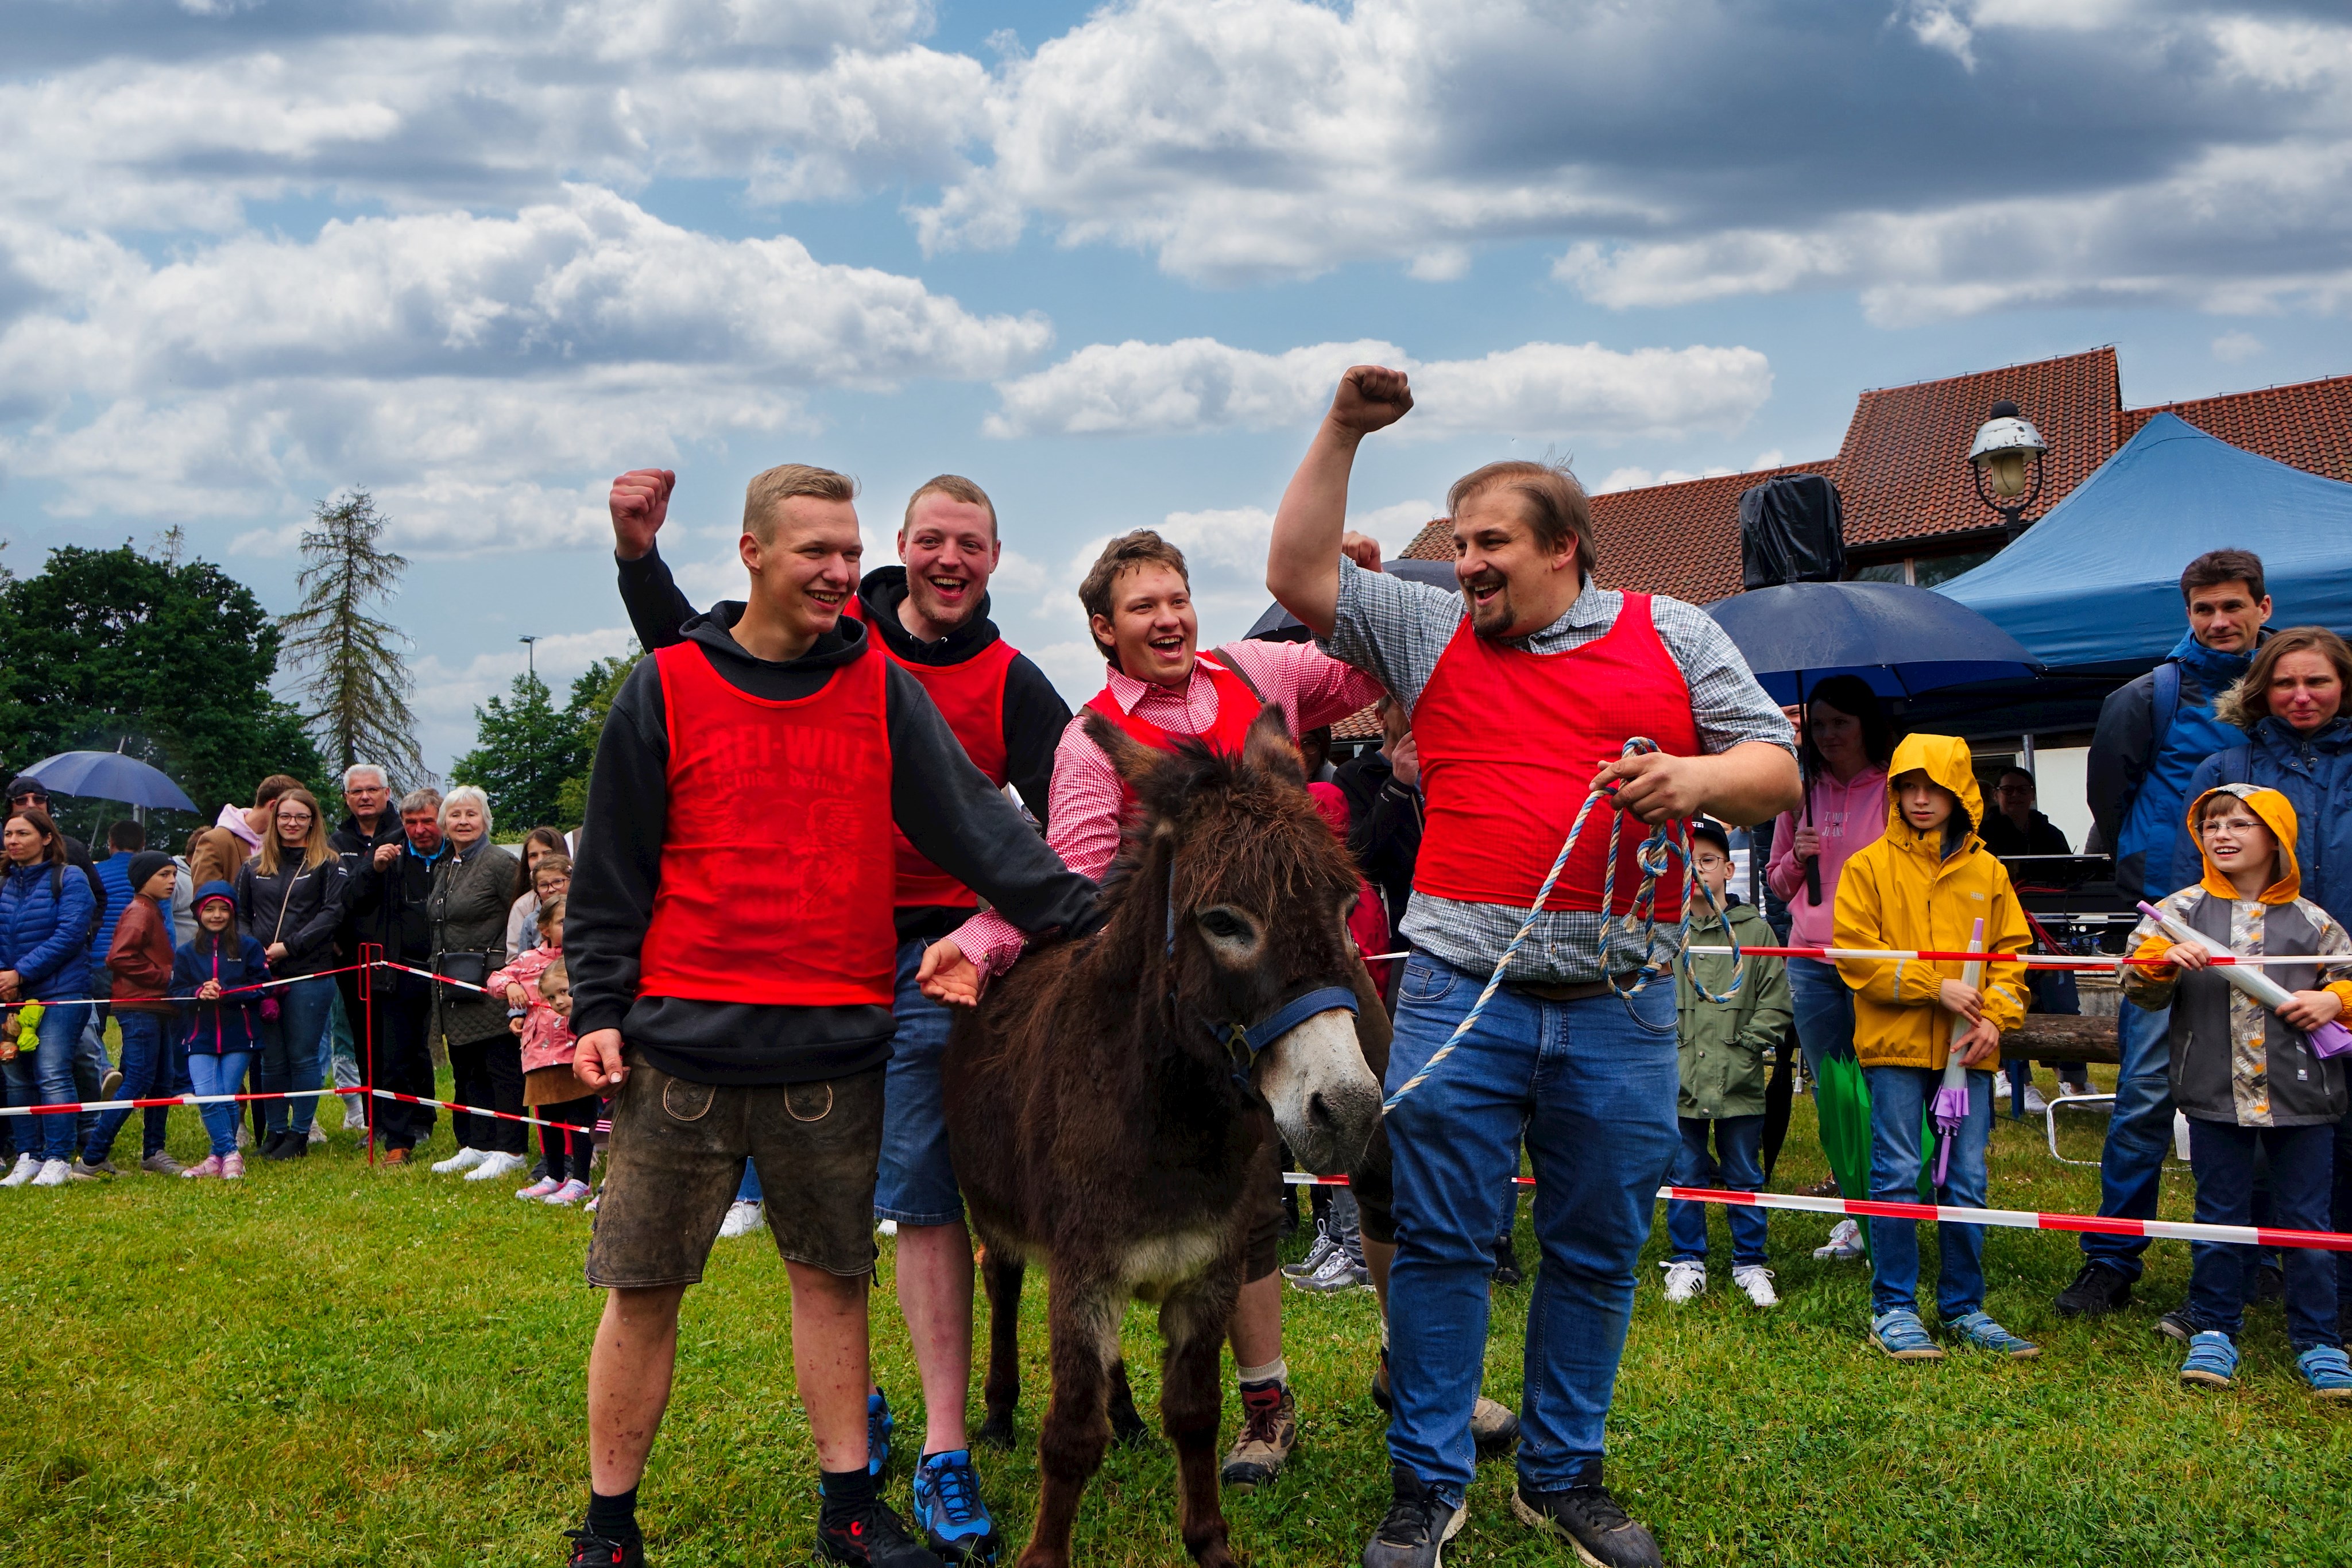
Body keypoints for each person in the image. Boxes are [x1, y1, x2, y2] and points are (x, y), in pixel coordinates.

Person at [1263, 366, 1799, 1568]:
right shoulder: (1429, 626)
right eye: (1456, 544)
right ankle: (1427, 1484)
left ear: (1564, 549)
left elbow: (1775, 765)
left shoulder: (1673, 631)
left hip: (1621, 1002)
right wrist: (1344, 428)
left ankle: (1560, 1477)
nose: (1462, 565)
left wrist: (1696, 779)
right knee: (1445, 1242)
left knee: (1598, 1245)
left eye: (1487, 543)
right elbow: (1296, 576)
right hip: (1463, 993)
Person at [560, 459, 1102, 1568]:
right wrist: (601, 1007)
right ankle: (608, 1526)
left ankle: (850, 1509)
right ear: (753, 554)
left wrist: (1111, 919)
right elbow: (610, 872)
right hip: (683, 1046)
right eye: (818, 552)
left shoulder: (880, 688)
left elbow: (981, 835)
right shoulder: (664, 687)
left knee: (834, 1284)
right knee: (642, 1290)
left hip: (834, 1045)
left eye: (852, 554)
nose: (842, 572)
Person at [926, 525, 1417, 1496]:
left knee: (1397, 1151)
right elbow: (1067, 883)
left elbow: (1363, 677)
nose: (1168, 618)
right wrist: (982, 942)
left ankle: (1415, 1368)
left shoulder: (1260, 666)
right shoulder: (1088, 738)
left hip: (1314, 960)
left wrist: (1350, 586)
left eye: (1177, 597)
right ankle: (1266, 1404)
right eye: (1142, 607)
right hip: (1201, 978)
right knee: (1242, 1202)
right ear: (1106, 631)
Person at [2064, 550, 2271, 1317]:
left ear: (2262, 606)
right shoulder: (2147, 695)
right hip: (2167, 921)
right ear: (2187, 613)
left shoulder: (2284, 693)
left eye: (2232, 606)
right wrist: (2152, 876)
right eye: (2203, 608)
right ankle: (2112, 1259)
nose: (2219, 621)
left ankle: (2264, 1257)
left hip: (2260, 924)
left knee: (2259, 1096)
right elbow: (2110, 803)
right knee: (2145, 1094)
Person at [2121, 784, 2352, 1396]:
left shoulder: (2315, 922)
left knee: (2307, 1220)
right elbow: (2135, 984)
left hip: (2305, 1099)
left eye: (2240, 824)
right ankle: (2214, 1326)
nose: (2222, 834)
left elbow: (2349, 983)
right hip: (2212, 1095)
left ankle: (2319, 1338)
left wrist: (2333, 999)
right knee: (2218, 1213)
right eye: (2212, 824)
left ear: (2275, 836)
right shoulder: (2179, 911)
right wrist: (2165, 958)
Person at [1833, 735, 2037, 1362]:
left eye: (1936, 789)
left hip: (1968, 1054)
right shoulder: (1866, 866)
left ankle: (1963, 1307)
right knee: (1894, 1175)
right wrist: (1933, 986)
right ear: (1894, 792)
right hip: (1893, 1048)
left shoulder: (1989, 871)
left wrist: (1996, 1019)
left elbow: (2011, 957)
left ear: (1960, 796)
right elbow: (1855, 955)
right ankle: (1892, 1307)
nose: (1921, 801)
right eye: (1908, 788)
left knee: (1968, 1180)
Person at [2175, 625, 2352, 1338]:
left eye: (2318, 681)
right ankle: (2226, 1296)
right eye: (2284, 682)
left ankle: (2331, 1304)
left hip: (2332, 976)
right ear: (2260, 689)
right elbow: (2188, 873)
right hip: (2248, 986)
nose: (2301, 695)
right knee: (2236, 1149)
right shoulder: (2226, 761)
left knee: (2327, 1147)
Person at [1765, 675, 1893, 1234]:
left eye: (1840, 722)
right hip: (1809, 961)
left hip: (1875, 958)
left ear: (1865, 723)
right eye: (1818, 725)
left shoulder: (1892, 787)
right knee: (1831, 1082)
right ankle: (1851, 1198)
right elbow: (1776, 881)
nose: (1827, 734)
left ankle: (1890, 1191)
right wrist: (1797, 856)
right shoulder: (1799, 794)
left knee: (1883, 1078)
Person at [1658, 820, 1792, 1310]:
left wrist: (1747, 1046)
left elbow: (1776, 1002)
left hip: (1740, 1080)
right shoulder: (1665, 931)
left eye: (1709, 859)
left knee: (1744, 1172)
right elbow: (1648, 998)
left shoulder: (1757, 932)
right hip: (1680, 1080)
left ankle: (1749, 1262)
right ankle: (1688, 1261)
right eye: (1688, 859)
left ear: (1730, 868)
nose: (1697, 870)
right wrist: (1667, 1049)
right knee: (1685, 1172)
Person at [234, 786, 345, 1160]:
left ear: (312, 821)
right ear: (274, 818)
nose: (292, 823)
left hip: (308, 972)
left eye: (301, 817)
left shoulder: (328, 863)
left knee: (302, 1055)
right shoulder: (252, 867)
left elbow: (331, 914)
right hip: (263, 974)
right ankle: (275, 1130)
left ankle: (300, 1133)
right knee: (271, 1059)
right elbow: (241, 916)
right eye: (285, 816)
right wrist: (255, 952)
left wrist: (290, 946)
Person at [425, 785, 527, 1183]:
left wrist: (502, 968)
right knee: (468, 1069)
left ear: (485, 819)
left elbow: (520, 915)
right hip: (453, 987)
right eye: (456, 815)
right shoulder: (445, 866)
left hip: (493, 986)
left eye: (472, 814)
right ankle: (478, 1143)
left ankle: (510, 1148)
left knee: (501, 1068)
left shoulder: (500, 863)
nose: (463, 821)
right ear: (444, 823)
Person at [346, 788, 446, 1164]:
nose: (420, 829)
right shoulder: (387, 851)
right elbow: (351, 900)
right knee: (395, 1057)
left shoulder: (456, 854)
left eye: (428, 821)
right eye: (411, 822)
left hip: (451, 969)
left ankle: (478, 1139)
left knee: (466, 1057)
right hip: (399, 969)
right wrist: (374, 867)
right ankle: (398, 1139)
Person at [1979, 767, 2088, 1110]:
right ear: (1997, 794)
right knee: (2008, 999)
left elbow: (2066, 875)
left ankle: (2075, 1081)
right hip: (2001, 930)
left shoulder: (2048, 832)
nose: (2015, 796)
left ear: (2032, 793)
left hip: (2048, 929)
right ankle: (2014, 1081)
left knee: (2063, 1003)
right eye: (2008, 790)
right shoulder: (1984, 832)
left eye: (2022, 790)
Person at [0, 807, 98, 1188]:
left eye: (22, 833)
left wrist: (20, 973)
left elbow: (70, 934)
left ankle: (58, 1156)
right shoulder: (5, 883)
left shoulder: (69, 878)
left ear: (45, 837)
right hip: (12, 994)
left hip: (60, 993)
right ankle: (29, 1154)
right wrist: (7, 979)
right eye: (8, 834)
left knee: (52, 1072)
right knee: (16, 1075)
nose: (13, 841)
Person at [77, 852, 181, 1176]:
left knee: (163, 1082)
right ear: (144, 878)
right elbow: (119, 958)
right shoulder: (140, 911)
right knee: (137, 1079)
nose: (172, 881)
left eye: (174, 874)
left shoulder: (152, 911)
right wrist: (167, 978)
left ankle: (154, 1152)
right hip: (139, 1007)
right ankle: (92, 1158)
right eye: (164, 874)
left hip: (156, 1006)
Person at [492, 901, 593, 1205]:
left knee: (580, 1117)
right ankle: (554, 1175)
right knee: (547, 1115)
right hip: (538, 1052)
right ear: (544, 928)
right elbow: (494, 980)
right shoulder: (527, 960)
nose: (569, 927)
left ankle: (581, 1179)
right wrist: (510, 986)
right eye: (562, 922)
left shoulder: (584, 957)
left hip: (576, 1049)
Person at [171, 882, 272, 1180]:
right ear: (199, 913)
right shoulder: (186, 953)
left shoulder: (249, 947)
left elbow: (262, 987)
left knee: (225, 1096)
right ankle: (228, 1154)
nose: (216, 916)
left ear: (233, 912)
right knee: (206, 1095)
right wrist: (198, 991)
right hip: (199, 1036)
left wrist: (228, 992)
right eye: (210, 910)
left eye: (223, 910)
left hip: (239, 1035)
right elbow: (175, 992)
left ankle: (218, 1157)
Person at [330, 764, 404, 1144]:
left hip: (400, 954)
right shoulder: (334, 842)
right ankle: (375, 1123)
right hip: (354, 957)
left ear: (387, 792)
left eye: (372, 789)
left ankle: (415, 1121)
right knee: (364, 1042)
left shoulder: (406, 832)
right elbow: (336, 899)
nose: (364, 796)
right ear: (346, 797)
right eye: (356, 791)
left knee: (404, 1042)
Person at [188, 774, 303, 889]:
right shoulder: (215, 841)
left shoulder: (283, 843)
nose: (293, 822)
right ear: (273, 806)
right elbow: (207, 901)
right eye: (288, 813)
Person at [507, 826, 570, 962]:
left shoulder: (586, 907)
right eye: (533, 855)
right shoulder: (524, 908)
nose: (540, 860)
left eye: (547, 853)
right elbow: (517, 959)